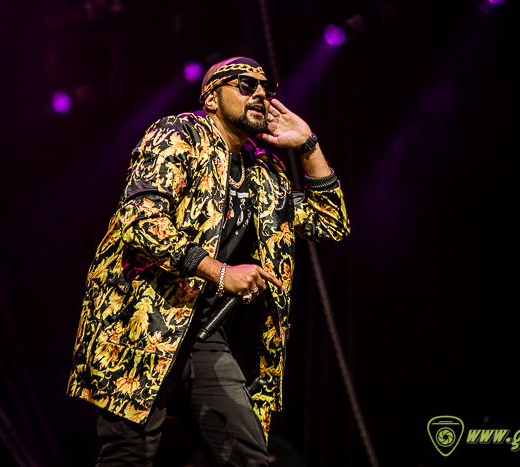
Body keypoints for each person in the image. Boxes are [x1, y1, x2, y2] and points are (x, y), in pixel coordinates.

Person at [67, 56, 350, 466]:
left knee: (249, 458)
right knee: (128, 457)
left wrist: (308, 146)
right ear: (212, 98)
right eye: (245, 85)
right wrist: (220, 272)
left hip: (205, 337)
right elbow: (141, 221)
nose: (260, 94)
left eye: (267, 89)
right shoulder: (178, 133)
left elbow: (330, 223)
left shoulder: (264, 171)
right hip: (141, 325)